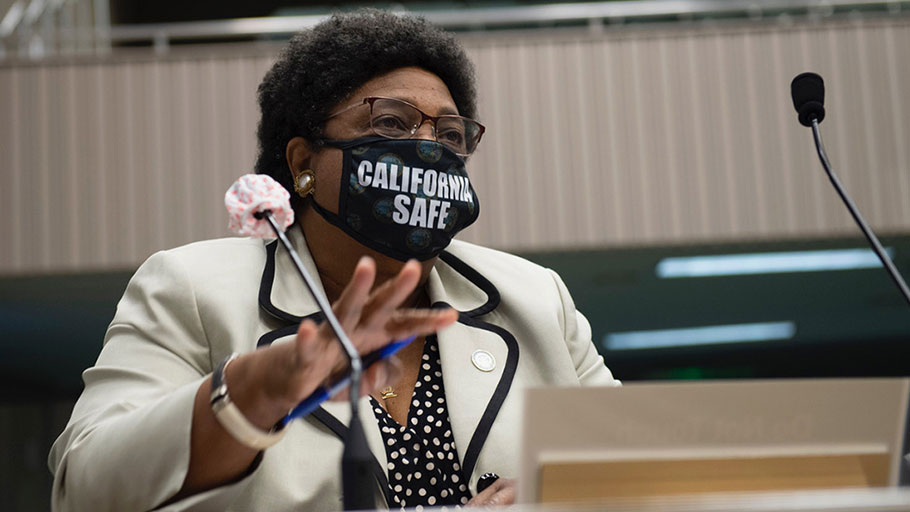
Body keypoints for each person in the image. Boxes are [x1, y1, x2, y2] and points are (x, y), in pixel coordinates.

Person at [49, 9, 619, 511]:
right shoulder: (192, 288)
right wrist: (252, 394)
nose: (427, 148)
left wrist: (574, 496)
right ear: (301, 161)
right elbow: (86, 487)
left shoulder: (537, 296)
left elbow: (638, 472)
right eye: (390, 123)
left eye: (449, 134)